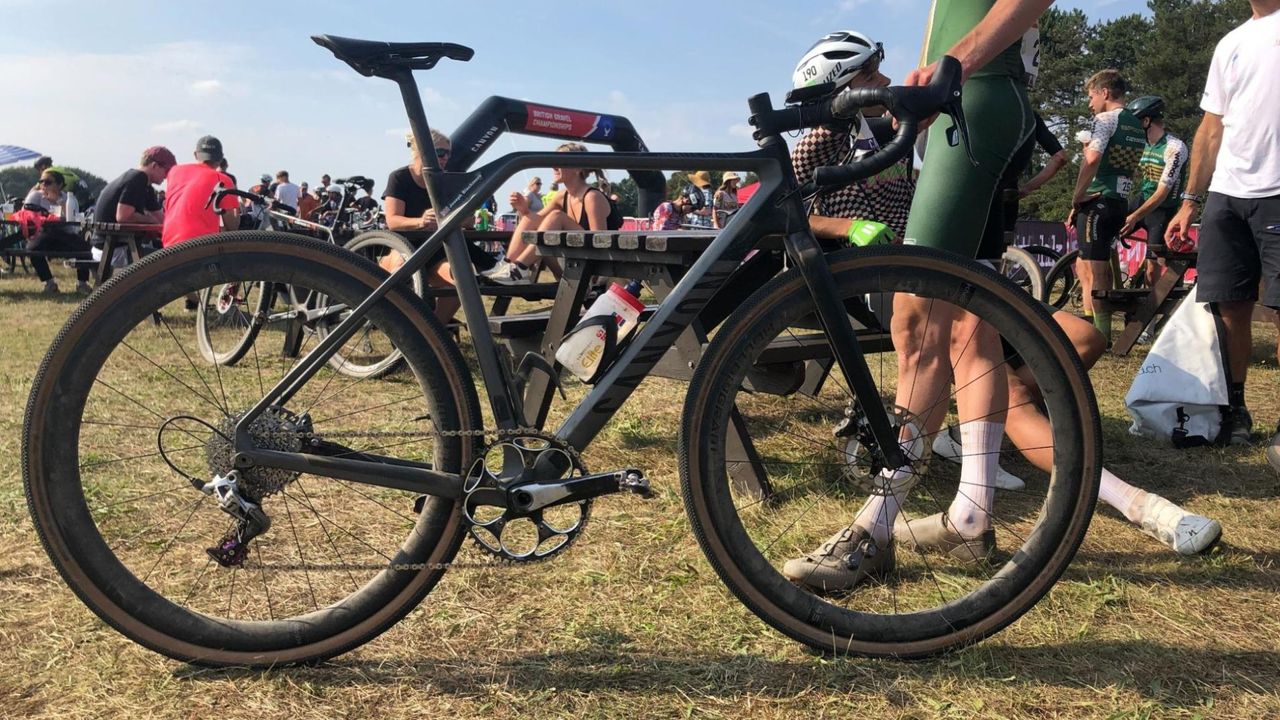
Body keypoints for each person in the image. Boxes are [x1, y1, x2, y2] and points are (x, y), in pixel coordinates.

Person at [781, 5, 1055, 593]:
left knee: (918, 326)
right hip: (972, 100)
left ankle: (876, 527)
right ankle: (972, 512)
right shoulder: (825, 141)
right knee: (965, 328)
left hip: (970, 96)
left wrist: (953, 64)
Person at [1166, 0, 1280, 466]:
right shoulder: (1230, 42)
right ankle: (1235, 412)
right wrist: (1191, 200)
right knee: (1229, 305)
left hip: (1277, 189)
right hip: (1227, 193)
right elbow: (1211, 127)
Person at [1067, 70, 1147, 342]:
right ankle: (1094, 327)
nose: (1090, 104)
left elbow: (1092, 159)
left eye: (1091, 96)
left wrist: (1077, 196)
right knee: (1091, 264)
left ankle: (1099, 333)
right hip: (1118, 201)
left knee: (1094, 268)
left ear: (1105, 92)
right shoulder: (1137, 124)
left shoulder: (1104, 119)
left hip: (1097, 199)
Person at [383, 129, 487, 322]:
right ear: (422, 151)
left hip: (436, 250)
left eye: (448, 153)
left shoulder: (444, 181)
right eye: (440, 153)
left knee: (462, 277)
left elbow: (470, 220)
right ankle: (397, 323)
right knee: (400, 268)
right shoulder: (400, 177)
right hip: (406, 244)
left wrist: (463, 218)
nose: (445, 158)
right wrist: (420, 221)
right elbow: (393, 220)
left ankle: (434, 329)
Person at [486, 142, 612, 285]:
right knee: (530, 218)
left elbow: (601, 241)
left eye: (559, 162)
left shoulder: (592, 197)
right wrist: (523, 209)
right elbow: (534, 220)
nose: (553, 166)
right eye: (553, 161)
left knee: (556, 216)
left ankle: (519, 269)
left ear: (578, 168)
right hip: (573, 257)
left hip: (596, 264)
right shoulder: (562, 195)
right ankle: (508, 265)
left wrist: (593, 277)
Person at [1116, 96, 1189, 287]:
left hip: (1162, 208)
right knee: (1108, 225)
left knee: (1152, 270)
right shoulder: (1140, 143)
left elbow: (1162, 193)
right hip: (1143, 199)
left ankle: (1153, 309)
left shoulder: (1175, 148)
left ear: (1147, 121)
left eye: (1135, 121)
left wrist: (1134, 217)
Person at [91, 146, 175, 268]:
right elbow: (123, 216)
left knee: (170, 257)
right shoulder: (138, 178)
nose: (167, 177)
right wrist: (149, 220)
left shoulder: (146, 186)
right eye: (167, 171)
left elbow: (162, 220)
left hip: (114, 247)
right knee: (169, 262)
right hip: (112, 251)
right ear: (154, 166)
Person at [161, 135, 239, 249]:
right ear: (221, 159)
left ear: (195, 154)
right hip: (201, 247)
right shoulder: (222, 179)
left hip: (169, 246)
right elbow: (232, 226)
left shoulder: (174, 172)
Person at [22, 170, 92, 293]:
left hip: (64, 234)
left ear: (59, 185)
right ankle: (49, 283)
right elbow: (25, 214)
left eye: (48, 182)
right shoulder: (35, 196)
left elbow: (72, 222)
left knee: (85, 249)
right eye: (41, 182)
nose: (44, 185)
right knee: (32, 249)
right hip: (43, 234)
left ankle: (82, 283)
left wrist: (58, 202)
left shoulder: (69, 198)